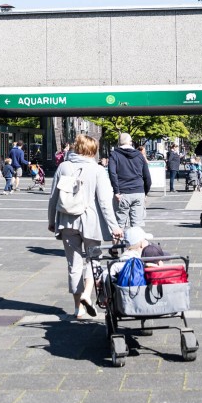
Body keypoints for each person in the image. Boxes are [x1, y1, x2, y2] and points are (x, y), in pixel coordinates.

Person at [48, 134, 123, 318]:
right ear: (93, 150)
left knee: (73, 264)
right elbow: (105, 202)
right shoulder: (97, 170)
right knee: (93, 260)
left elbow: (53, 198)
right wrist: (114, 226)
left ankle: (77, 308)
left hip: (67, 221)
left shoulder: (64, 166)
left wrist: (51, 220)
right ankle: (87, 296)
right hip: (91, 221)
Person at [108, 132, 152, 229]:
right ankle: (136, 243)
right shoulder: (139, 156)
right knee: (137, 226)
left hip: (122, 192)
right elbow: (147, 177)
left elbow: (112, 174)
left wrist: (116, 191)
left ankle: (118, 243)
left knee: (119, 226)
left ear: (119, 142)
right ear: (130, 142)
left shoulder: (114, 155)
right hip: (138, 191)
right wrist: (145, 192)